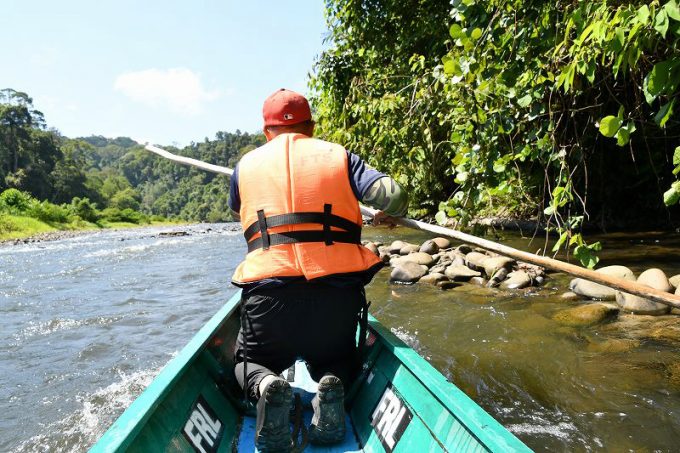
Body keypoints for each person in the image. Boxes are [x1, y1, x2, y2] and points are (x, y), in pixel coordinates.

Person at [228, 88, 408, 452]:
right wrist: (387, 212)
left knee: (246, 363)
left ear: (267, 132)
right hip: (335, 301)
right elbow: (393, 195)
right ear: (310, 126)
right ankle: (330, 381)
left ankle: (265, 385)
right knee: (337, 359)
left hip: (269, 300)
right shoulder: (340, 157)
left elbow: (239, 212)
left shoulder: (245, 166)